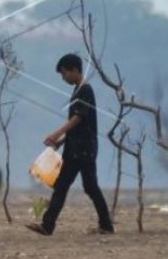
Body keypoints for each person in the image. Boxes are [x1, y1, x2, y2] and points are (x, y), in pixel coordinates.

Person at [26, 53, 114, 236]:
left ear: (75, 70)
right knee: (71, 186)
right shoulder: (78, 90)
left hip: (83, 150)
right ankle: (49, 225)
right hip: (75, 148)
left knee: (79, 186)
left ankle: (104, 226)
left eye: (64, 74)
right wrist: (61, 141)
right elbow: (79, 124)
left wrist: (57, 133)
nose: (63, 78)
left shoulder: (85, 90)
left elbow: (78, 118)